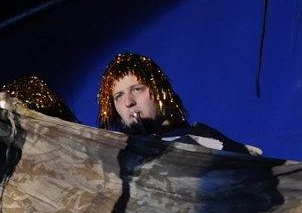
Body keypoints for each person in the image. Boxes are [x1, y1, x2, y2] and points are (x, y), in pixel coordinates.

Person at [97, 52, 255, 154]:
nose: (128, 102)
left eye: (137, 89)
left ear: (160, 91)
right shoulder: (113, 155)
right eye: (119, 96)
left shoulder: (206, 140)